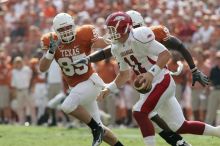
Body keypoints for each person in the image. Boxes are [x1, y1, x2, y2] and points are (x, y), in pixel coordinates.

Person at [96, 11, 220, 146]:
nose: (109, 32)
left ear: (123, 27)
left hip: (162, 80)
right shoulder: (116, 47)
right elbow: (124, 75)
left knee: (139, 111)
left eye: (112, 29)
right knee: (179, 126)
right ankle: (217, 132)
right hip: (150, 87)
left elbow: (165, 55)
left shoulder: (140, 35)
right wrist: (109, 88)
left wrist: (151, 73)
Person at [39, 12, 123, 146]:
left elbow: (103, 44)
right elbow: (42, 68)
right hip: (76, 87)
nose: (66, 31)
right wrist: (50, 52)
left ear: (73, 26)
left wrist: (113, 39)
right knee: (102, 128)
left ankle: (96, 129)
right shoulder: (51, 41)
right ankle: (103, 132)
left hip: (90, 81)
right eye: (62, 29)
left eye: (68, 27)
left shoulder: (84, 33)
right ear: (56, 31)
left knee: (66, 106)